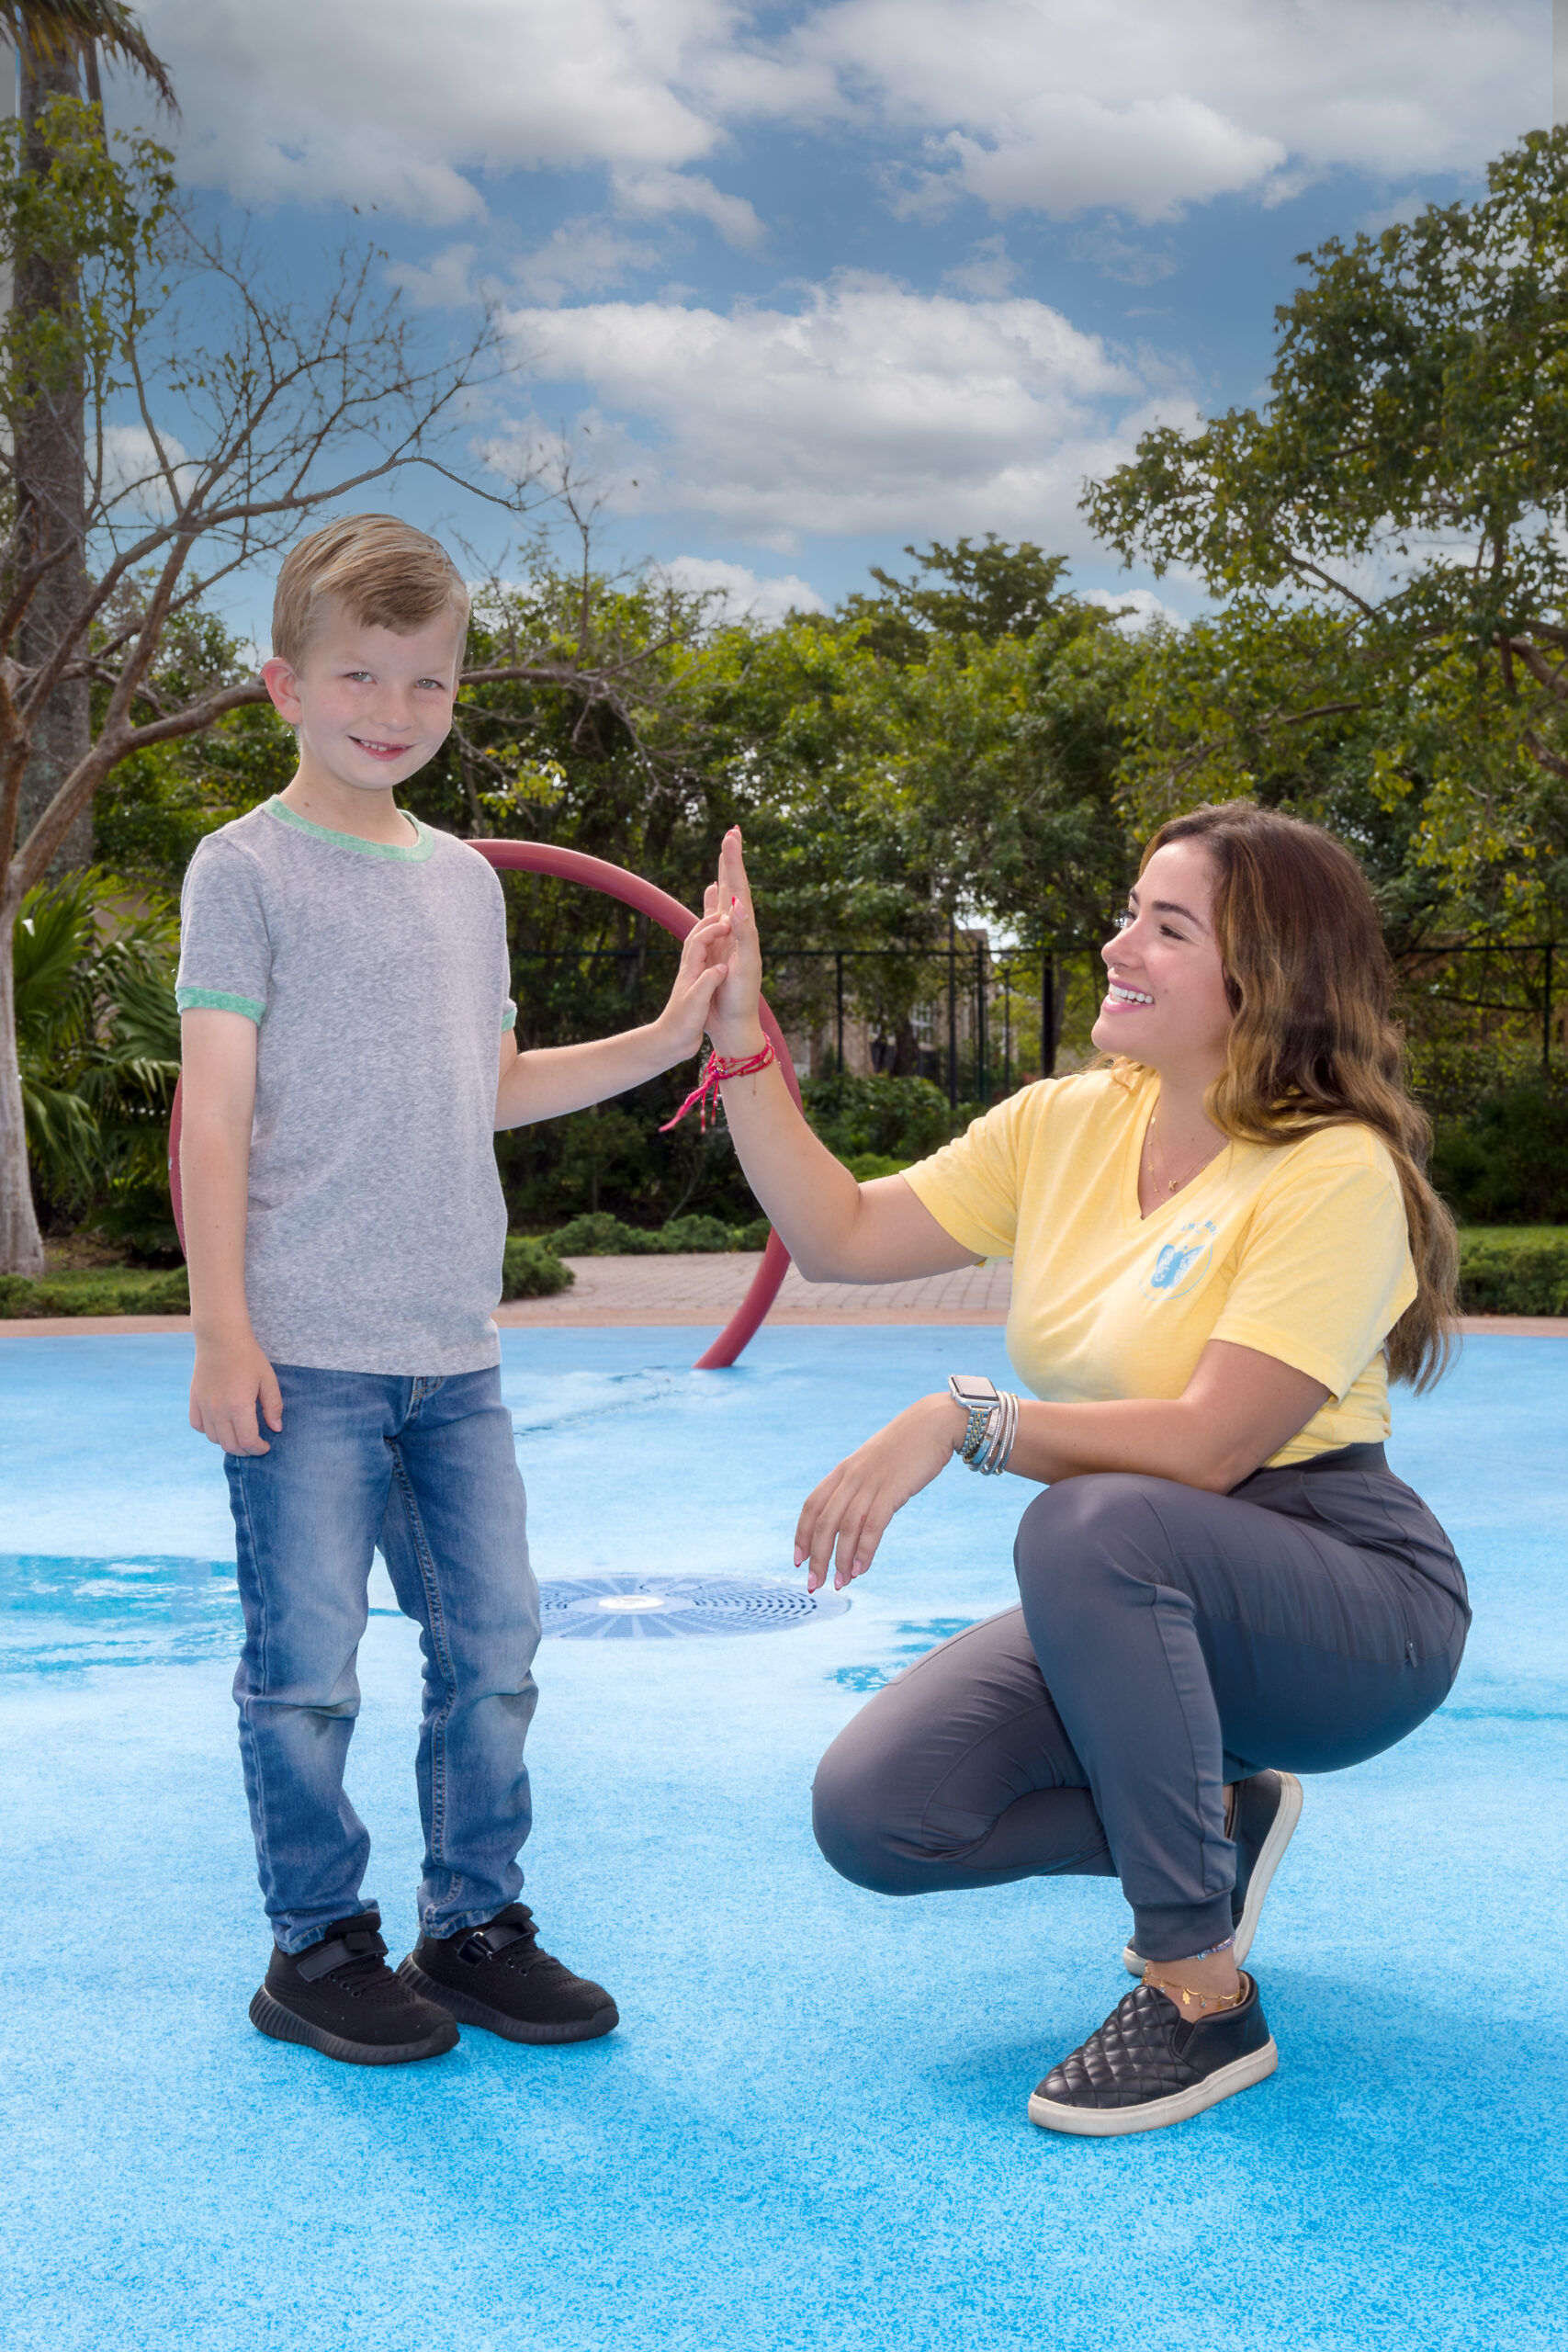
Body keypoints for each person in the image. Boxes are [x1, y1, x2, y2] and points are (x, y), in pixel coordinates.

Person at [694, 801, 1468, 2136]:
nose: (1119, 944)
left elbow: (1217, 1443)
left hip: (1344, 1595)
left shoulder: (1336, 1172)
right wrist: (739, 1037)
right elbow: (834, 1232)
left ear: (1261, 979)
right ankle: (1214, 1815)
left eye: (1166, 928)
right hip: (1145, 1578)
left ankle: (1198, 1996)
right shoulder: (1067, 1123)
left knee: (1090, 1524)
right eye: (1130, 911)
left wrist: (969, 1419)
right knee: (881, 1814)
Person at [176, 514, 730, 2066]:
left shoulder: (466, 888)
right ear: (283, 683)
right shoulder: (244, 870)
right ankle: (315, 1945)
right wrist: (224, 1322)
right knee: (305, 1674)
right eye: (360, 674)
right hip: (304, 1353)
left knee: (494, 1650)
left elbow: (484, 1085)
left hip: (454, 1359)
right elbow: (212, 1111)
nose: (393, 710)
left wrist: (673, 1035)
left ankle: (472, 1925)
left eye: (427, 683)